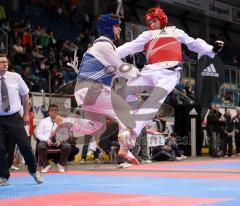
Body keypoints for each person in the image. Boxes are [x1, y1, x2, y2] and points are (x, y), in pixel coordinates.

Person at [116, 7, 224, 143]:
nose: (152, 25)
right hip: (149, 70)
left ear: (162, 20)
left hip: (169, 74)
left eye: (154, 21)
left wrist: (211, 49)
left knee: (154, 101)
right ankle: (123, 123)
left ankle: (132, 133)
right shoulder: (147, 35)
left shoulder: (175, 31)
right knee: (124, 93)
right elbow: (129, 47)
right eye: (149, 22)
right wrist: (106, 55)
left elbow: (194, 43)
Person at [74, 14, 141, 164]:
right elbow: (121, 68)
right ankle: (124, 148)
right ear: (108, 28)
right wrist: (139, 73)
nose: (119, 28)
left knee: (97, 126)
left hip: (82, 91)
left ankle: (64, 123)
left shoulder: (97, 48)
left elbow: (115, 71)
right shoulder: (104, 46)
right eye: (116, 25)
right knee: (125, 113)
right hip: (93, 89)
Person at [0, 53, 43, 186]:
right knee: (0, 149)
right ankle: (3, 176)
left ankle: (33, 170)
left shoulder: (15, 77)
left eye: (6, 61)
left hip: (14, 117)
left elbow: (25, 96)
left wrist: (25, 114)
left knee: (25, 145)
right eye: (2, 62)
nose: (5, 64)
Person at [36, 104, 71, 173]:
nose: (54, 112)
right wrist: (46, 140)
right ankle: (46, 165)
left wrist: (60, 140)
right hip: (47, 140)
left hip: (58, 140)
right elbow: (38, 134)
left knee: (67, 146)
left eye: (55, 110)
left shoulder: (62, 121)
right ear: (49, 112)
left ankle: (60, 164)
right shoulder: (43, 121)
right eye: (52, 110)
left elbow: (66, 134)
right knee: (40, 146)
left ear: (57, 112)